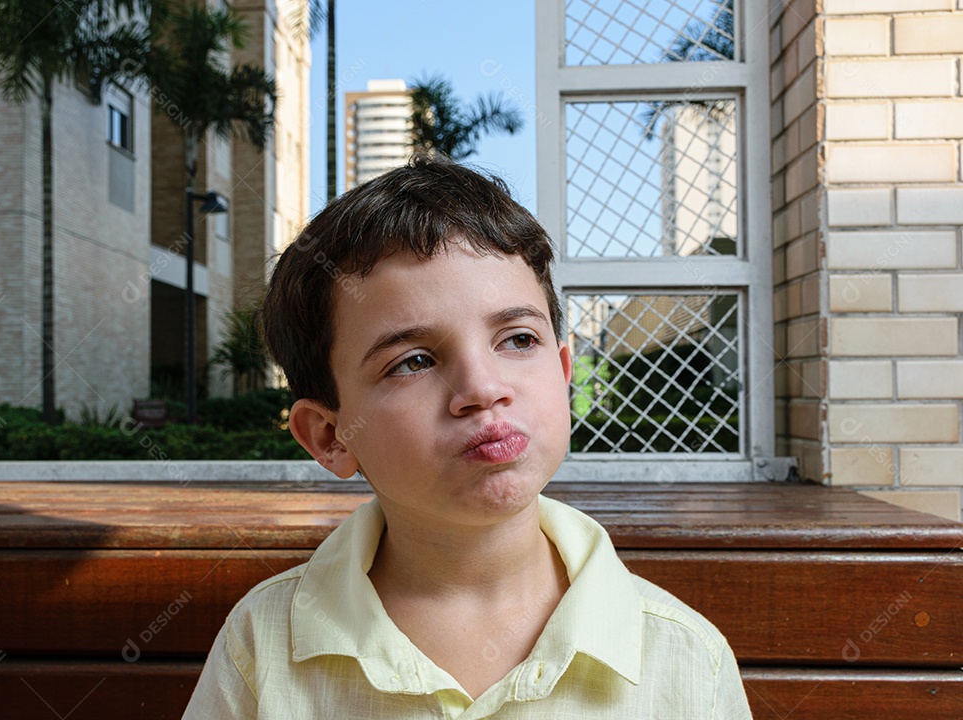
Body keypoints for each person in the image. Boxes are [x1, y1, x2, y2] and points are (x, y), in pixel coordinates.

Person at [182, 155, 753, 719]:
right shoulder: (261, 647)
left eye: (518, 340)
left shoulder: (686, 659)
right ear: (330, 435)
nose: (482, 389)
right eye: (413, 361)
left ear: (562, 370)